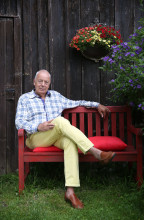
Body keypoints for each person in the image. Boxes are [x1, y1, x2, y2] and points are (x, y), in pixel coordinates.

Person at [15, 69, 116, 209]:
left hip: (54, 135)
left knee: (69, 142)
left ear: (49, 84)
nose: (43, 84)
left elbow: (77, 102)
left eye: (46, 82)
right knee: (61, 121)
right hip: (35, 138)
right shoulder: (25, 99)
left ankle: (70, 191)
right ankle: (95, 152)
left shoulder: (56, 96)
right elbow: (19, 123)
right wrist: (38, 126)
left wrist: (96, 104)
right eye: (40, 81)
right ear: (34, 82)